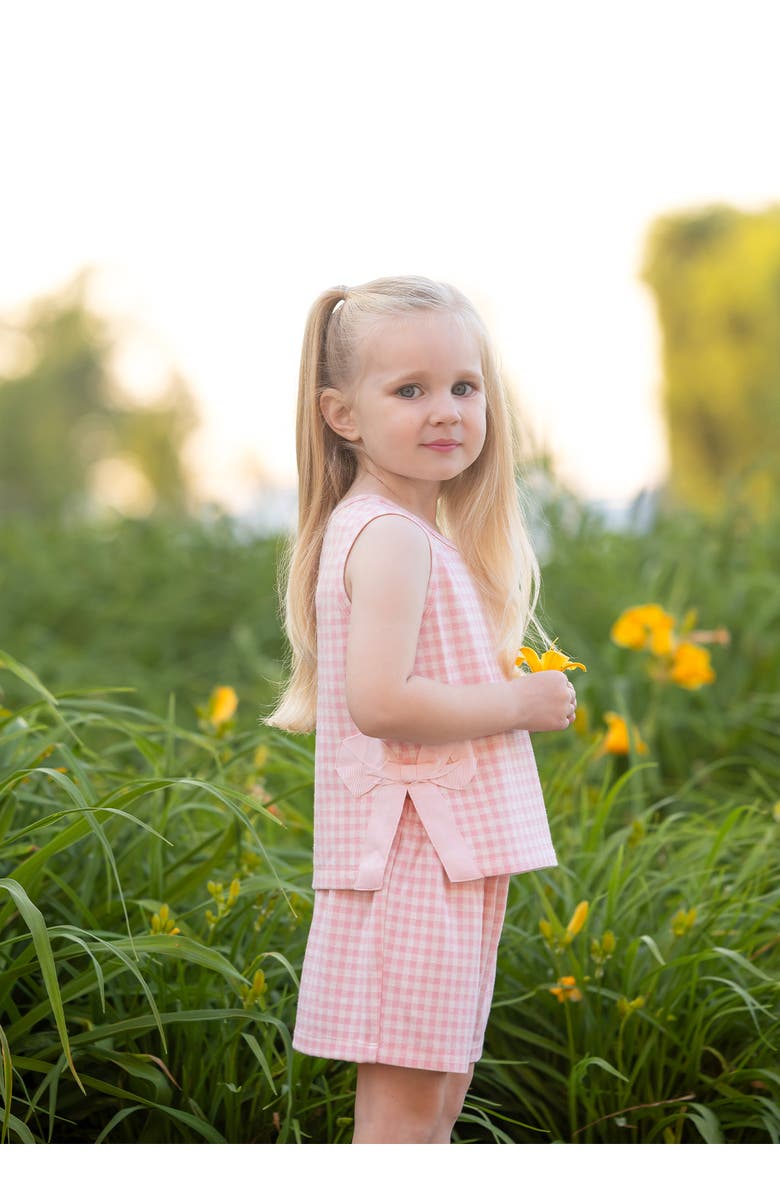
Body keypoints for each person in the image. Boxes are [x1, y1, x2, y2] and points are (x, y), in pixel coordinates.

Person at [266, 275, 577, 1144]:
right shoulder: (391, 536)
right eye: (410, 390)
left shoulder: (413, 532)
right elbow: (381, 702)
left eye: (463, 387)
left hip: (440, 857)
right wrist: (515, 700)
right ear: (342, 415)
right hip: (410, 858)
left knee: (435, 1103)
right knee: (406, 1118)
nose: (445, 410)